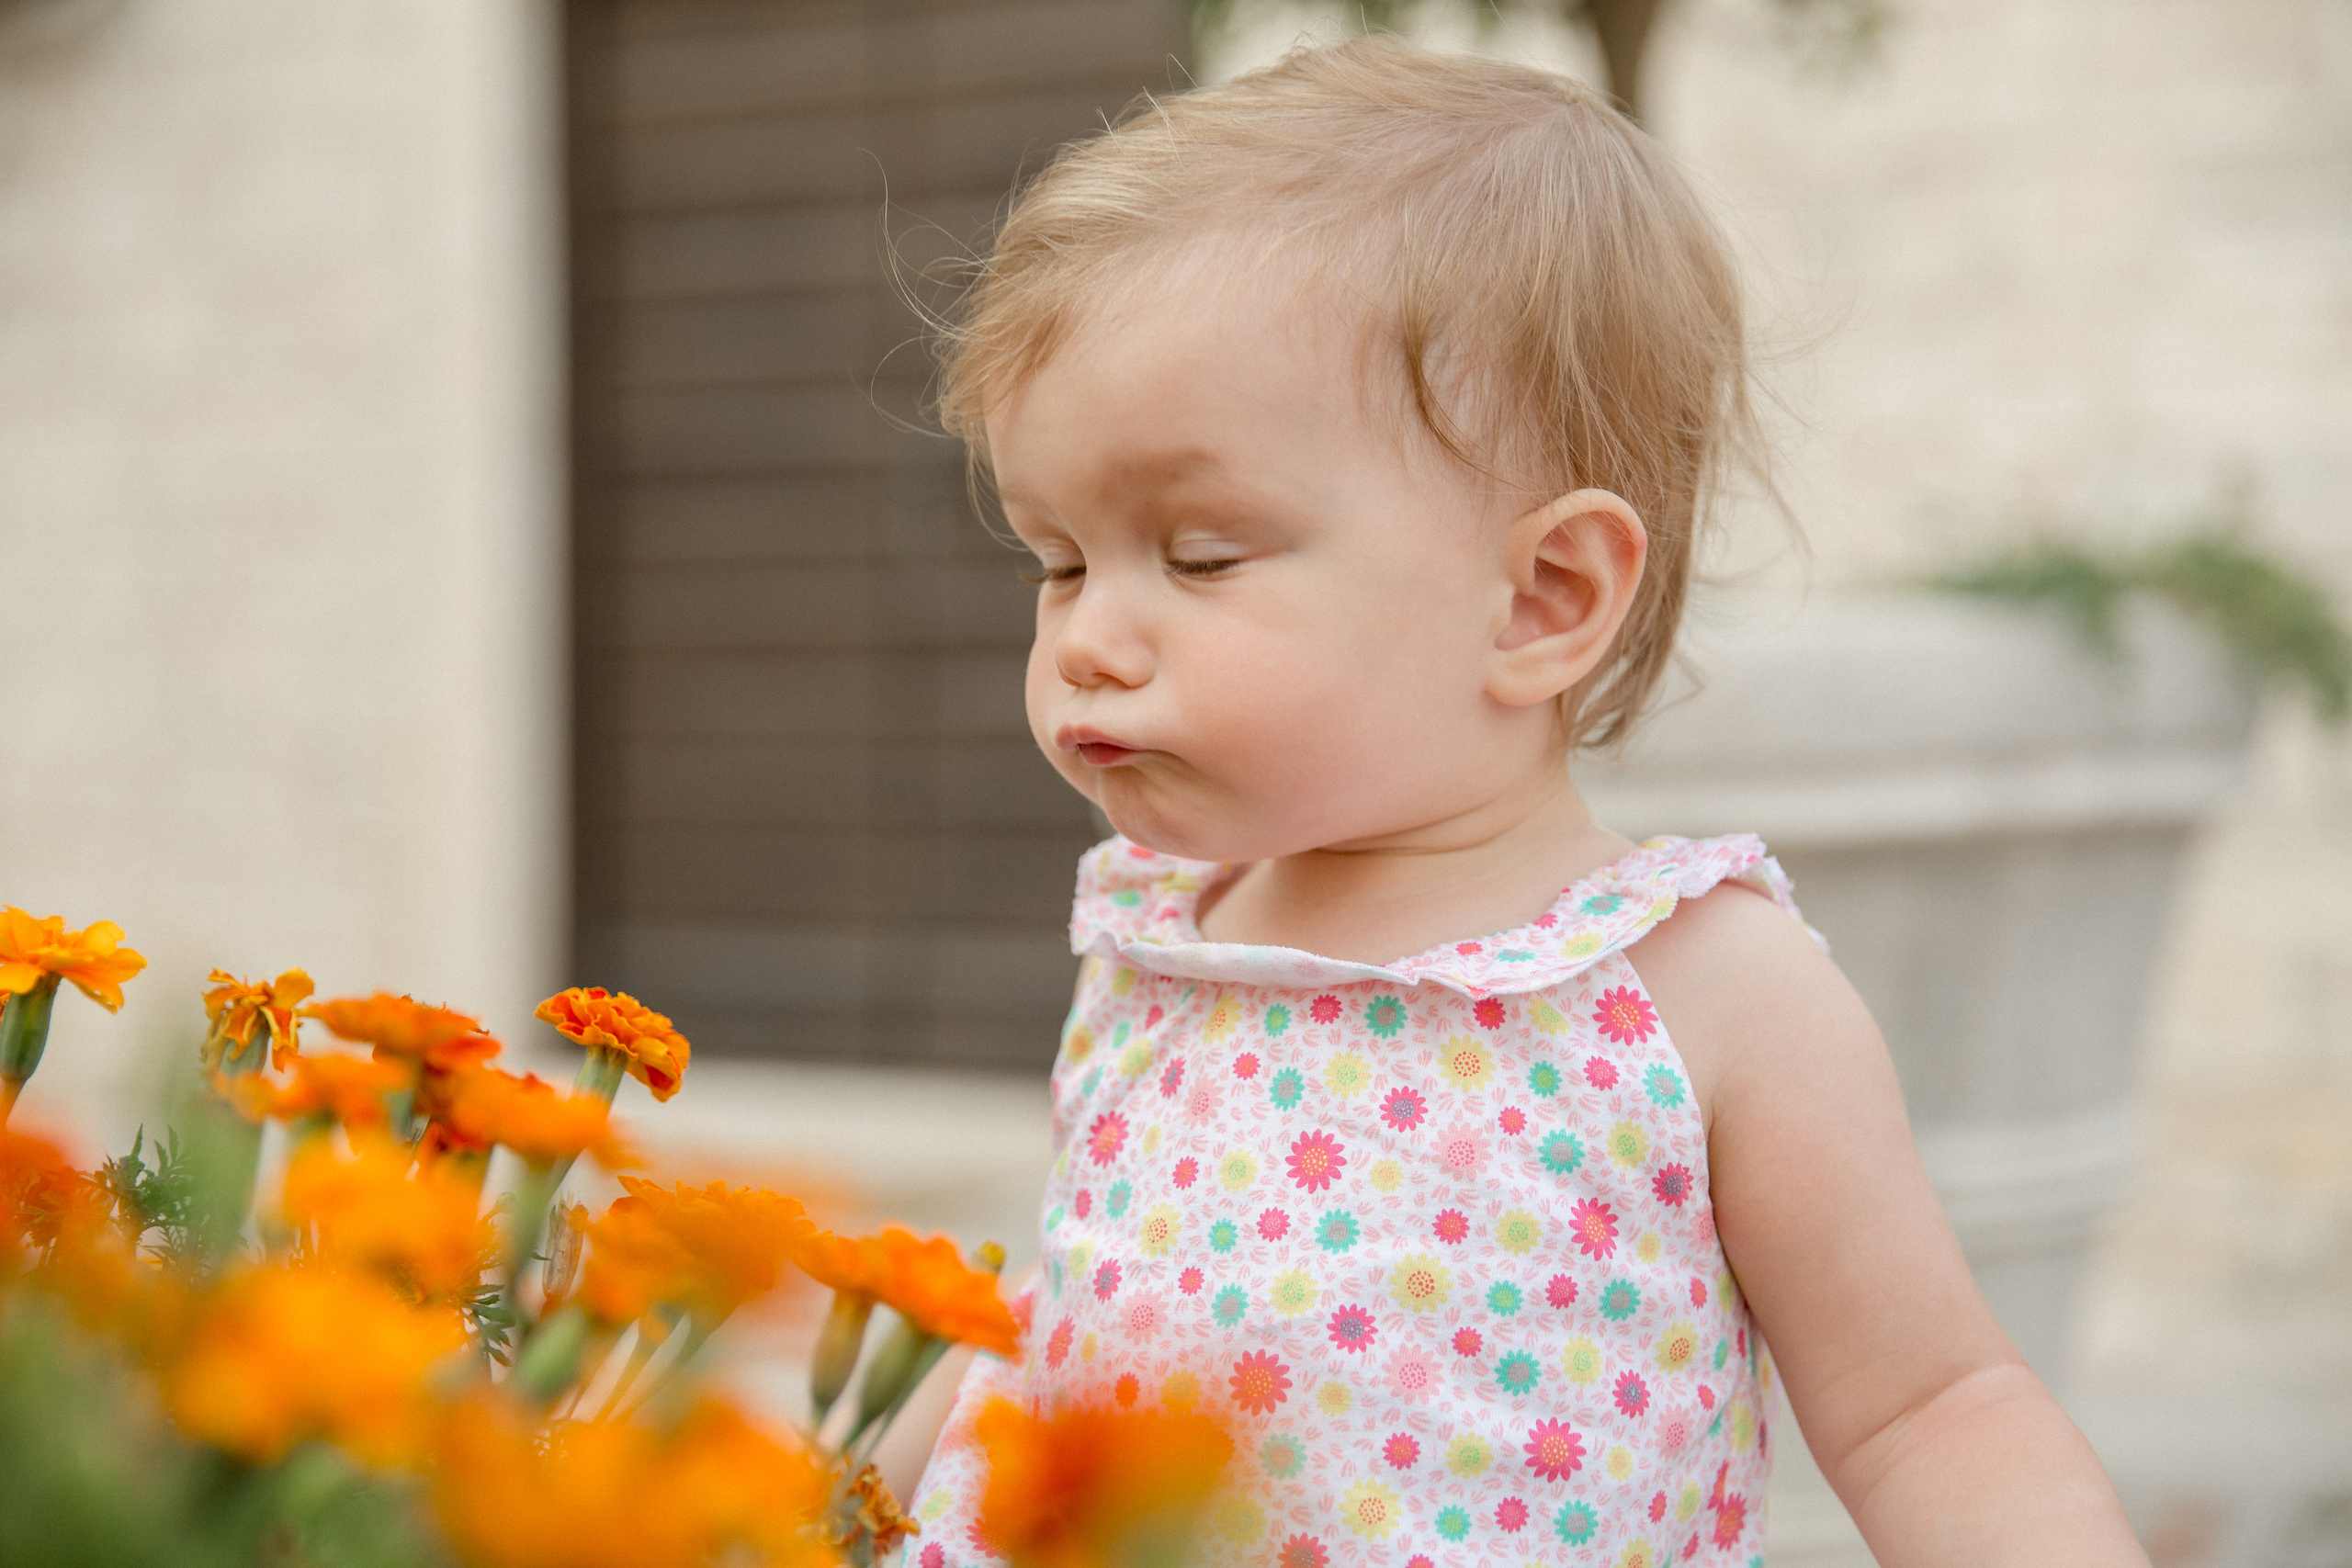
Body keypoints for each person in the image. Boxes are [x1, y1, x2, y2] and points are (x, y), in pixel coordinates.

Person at [874, 35, 2146, 1567]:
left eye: (1200, 555)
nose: (1086, 634)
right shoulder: (1157, 940)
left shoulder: (1700, 991)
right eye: (1058, 558)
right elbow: (1084, 1314)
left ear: (1542, 597)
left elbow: (1930, 1407)